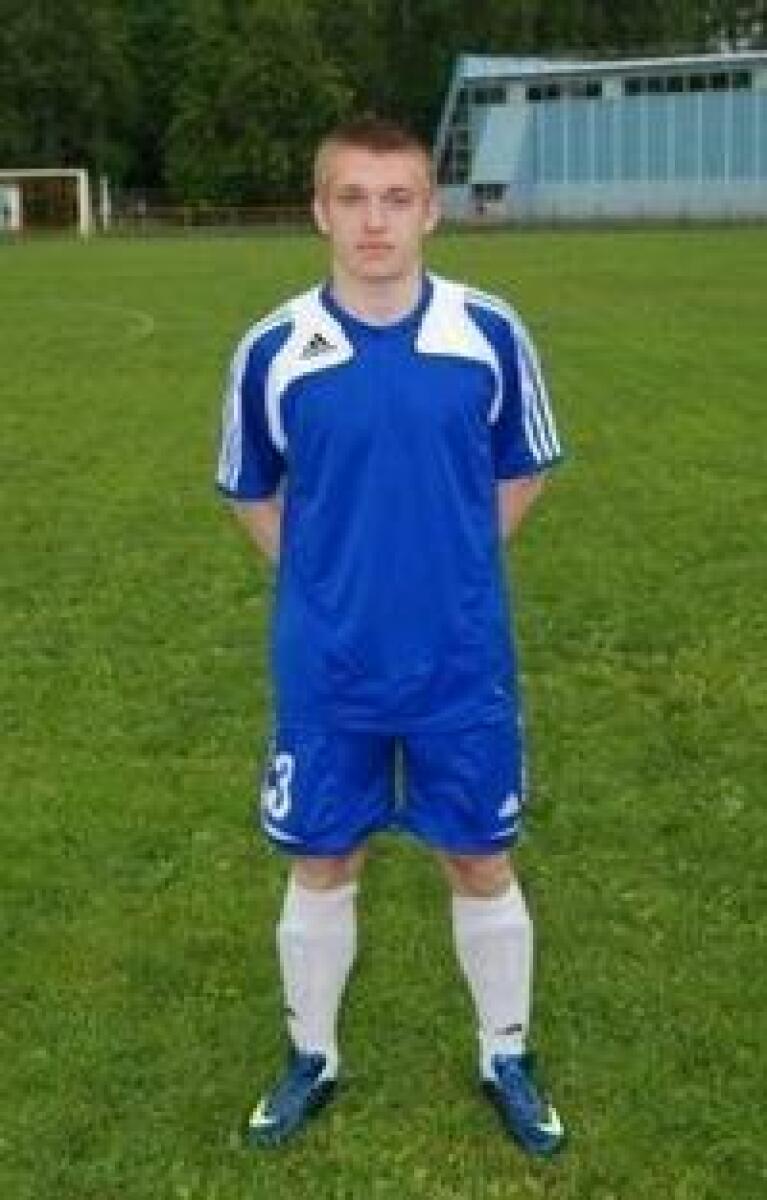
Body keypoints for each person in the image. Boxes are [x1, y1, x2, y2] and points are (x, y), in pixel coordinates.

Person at [216, 116, 565, 1156]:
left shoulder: (487, 332)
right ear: (320, 211)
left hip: (460, 660)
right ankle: (311, 1058)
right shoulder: (274, 349)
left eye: (396, 199)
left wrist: (449, 570)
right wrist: (323, 583)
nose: (375, 221)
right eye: (353, 199)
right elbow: (247, 487)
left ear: (429, 212)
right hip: (328, 666)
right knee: (323, 858)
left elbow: (523, 469)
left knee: (479, 858)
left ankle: (504, 1055)